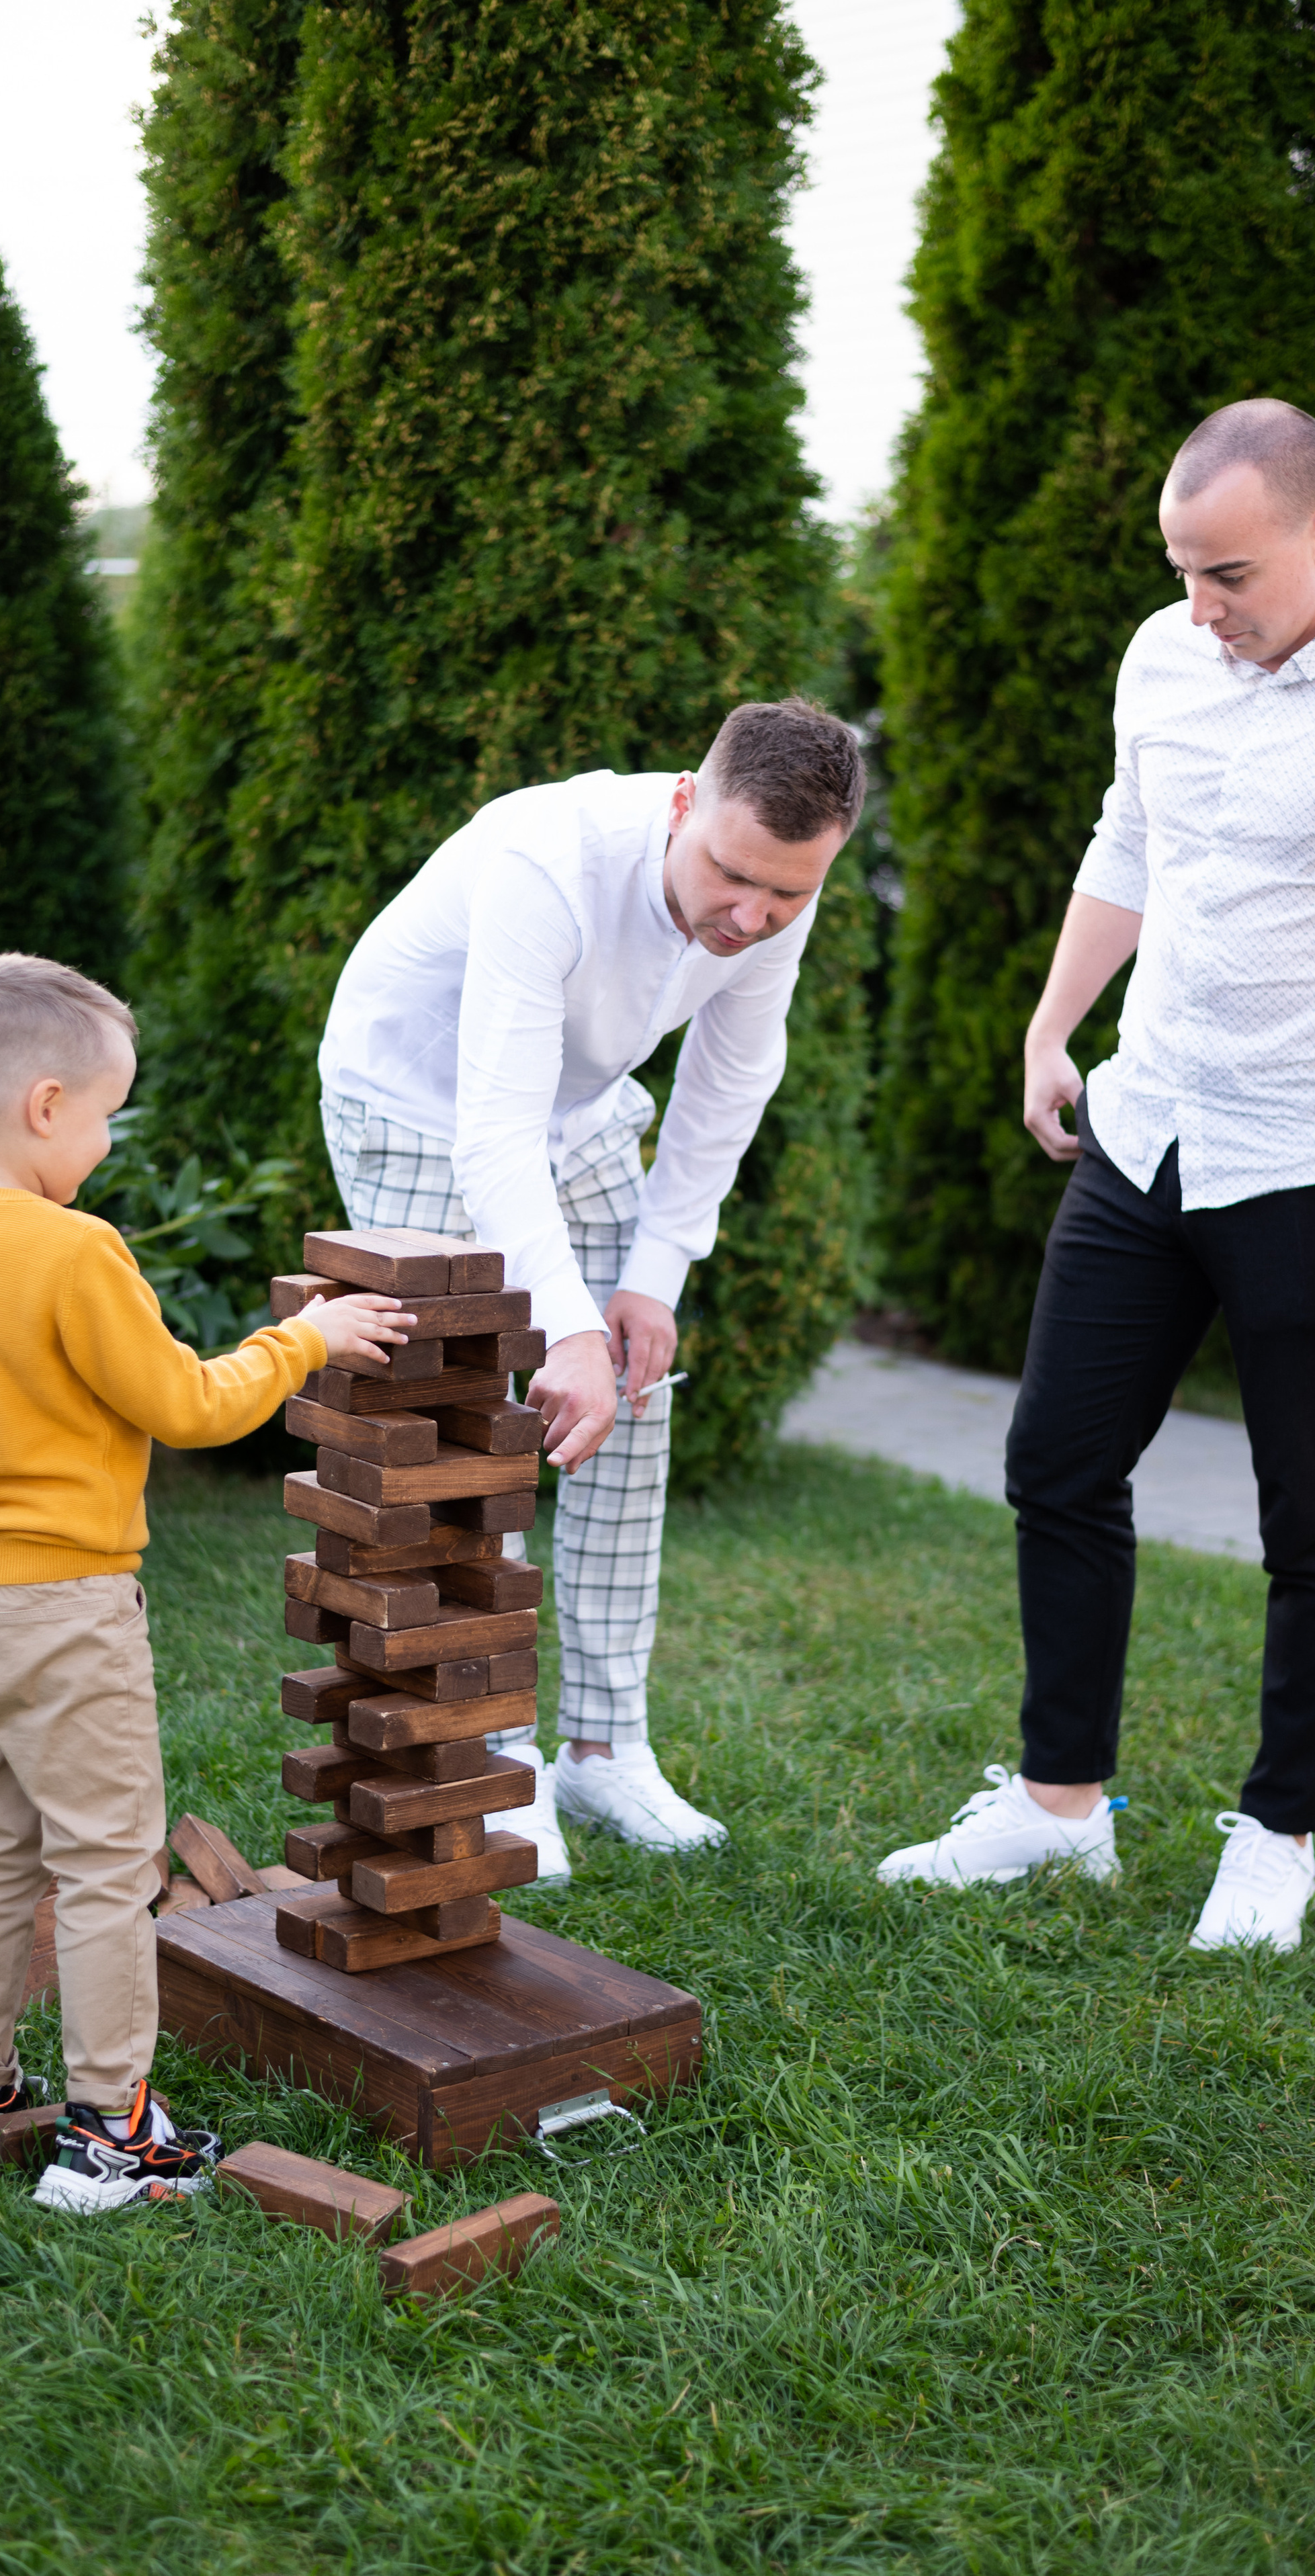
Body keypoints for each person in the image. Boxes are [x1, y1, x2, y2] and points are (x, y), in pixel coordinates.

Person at [878, 398, 1315, 1950]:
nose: (1198, 610)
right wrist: (1049, 1024)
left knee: (1312, 1515)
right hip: (1143, 1131)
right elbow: (1127, 842)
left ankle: (1275, 1837)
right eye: (1178, 572)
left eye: (1226, 575)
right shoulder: (1166, 654)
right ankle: (1056, 1806)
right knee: (1056, 1460)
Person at [0, 953, 409, 2210]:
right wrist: (308, 1339)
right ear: (48, 1106)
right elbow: (187, 1401)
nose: (110, 1143)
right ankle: (113, 2128)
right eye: (109, 1114)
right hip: (64, 1605)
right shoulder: (74, 1248)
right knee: (112, 1866)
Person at [318, 698, 864, 1877]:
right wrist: (564, 1325)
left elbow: (731, 1086)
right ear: (683, 802)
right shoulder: (544, 862)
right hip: (417, 1105)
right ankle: (495, 1754)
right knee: (474, 1422)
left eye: (787, 894)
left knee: (634, 1392)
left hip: (572, 1112)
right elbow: (492, 1134)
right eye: (731, 876)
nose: (752, 916)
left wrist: (651, 1281)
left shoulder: (772, 897)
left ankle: (604, 1748)